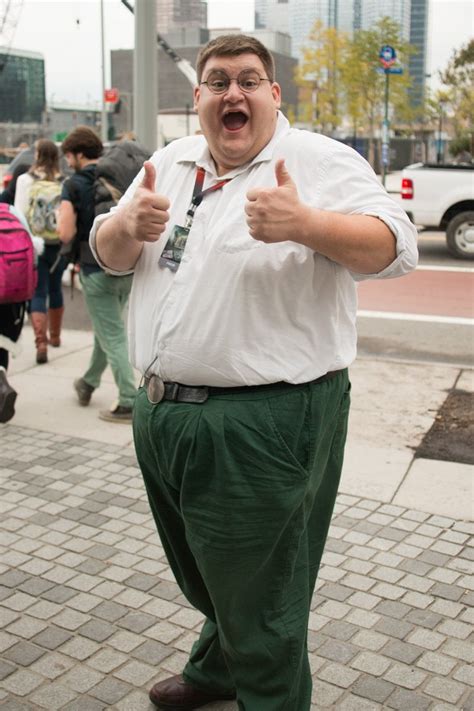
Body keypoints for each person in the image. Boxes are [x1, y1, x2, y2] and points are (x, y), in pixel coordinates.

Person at [91, 34, 418, 711]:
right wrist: (124, 223)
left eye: (248, 80)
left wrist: (306, 223)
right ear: (199, 96)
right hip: (163, 413)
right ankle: (217, 669)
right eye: (218, 81)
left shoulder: (318, 161)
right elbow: (109, 254)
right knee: (213, 574)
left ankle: (266, 691)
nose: (232, 93)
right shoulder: (172, 160)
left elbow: (397, 245)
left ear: (274, 94)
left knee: (263, 597)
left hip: (263, 422)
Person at [57, 126, 136, 423]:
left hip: (94, 270)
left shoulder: (74, 184)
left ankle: (128, 399)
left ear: (78, 154)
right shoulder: (116, 176)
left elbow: (65, 232)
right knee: (109, 329)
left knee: (112, 333)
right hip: (126, 266)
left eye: (68, 155)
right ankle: (88, 381)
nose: (67, 160)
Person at [14, 139, 65, 364]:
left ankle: (40, 343)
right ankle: (55, 336)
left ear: (37, 155)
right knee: (55, 288)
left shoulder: (25, 180)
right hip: (59, 244)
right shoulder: (64, 181)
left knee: (38, 292)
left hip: (35, 244)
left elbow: (20, 214)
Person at [0, 204, 43, 423]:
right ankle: (1, 377)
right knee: (3, 342)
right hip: (11, 292)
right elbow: (34, 248)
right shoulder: (10, 210)